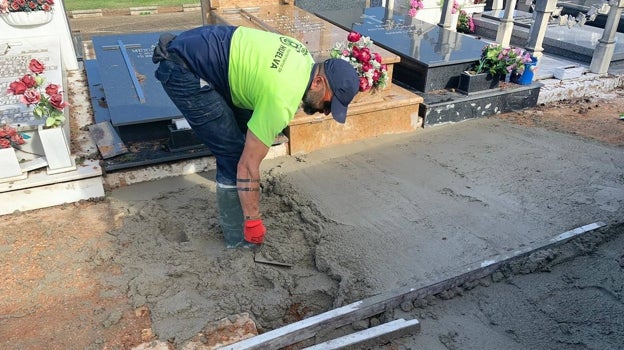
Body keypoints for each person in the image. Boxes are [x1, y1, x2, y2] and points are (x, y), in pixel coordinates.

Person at [152, 25, 360, 248]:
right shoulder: (280, 101)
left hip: (201, 48)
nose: (326, 111)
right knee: (233, 156)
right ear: (318, 82)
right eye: (329, 103)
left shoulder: (301, 54)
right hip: (184, 68)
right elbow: (248, 166)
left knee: (245, 133)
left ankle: (242, 201)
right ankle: (238, 239)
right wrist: (253, 221)